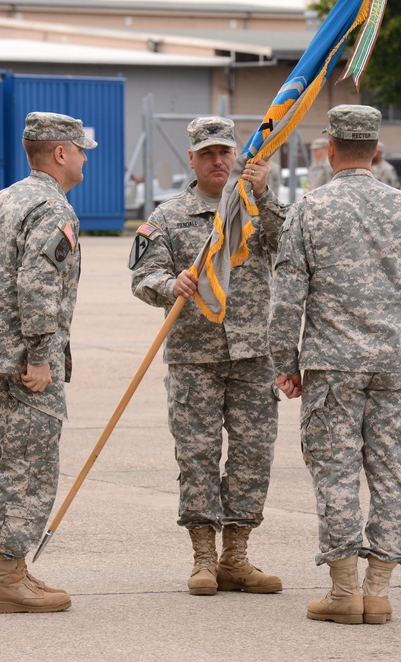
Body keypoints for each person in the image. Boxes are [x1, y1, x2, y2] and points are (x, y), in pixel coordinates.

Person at [269, 104, 401, 624]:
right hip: (396, 364)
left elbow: (286, 300)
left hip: (332, 367)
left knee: (337, 475)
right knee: (392, 473)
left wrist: (287, 362)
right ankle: (379, 591)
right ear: (374, 150)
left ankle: (344, 591)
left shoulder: (309, 209)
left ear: (329, 150)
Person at [129, 116, 288, 596]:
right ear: (193, 159)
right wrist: (167, 283)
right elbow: (142, 277)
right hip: (193, 355)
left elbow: (293, 246)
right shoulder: (168, 216)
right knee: (197, 455)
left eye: (226, 153)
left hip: (253, 353)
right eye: (208, 154)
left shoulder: (256, 208)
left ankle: (235, 557)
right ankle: (202, 557)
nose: (219, 161)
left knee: (251, 455)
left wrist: (263, 197)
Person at [0, 111, 96, 613]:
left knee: (11, 465)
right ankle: (7, 581)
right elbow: (39, 284)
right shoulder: (51, 208)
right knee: (30, 468)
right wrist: (41, 355)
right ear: (60, 153)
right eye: (81, 149)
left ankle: (14, 570)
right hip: (24, 362)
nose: (85, 157)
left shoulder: (3, 199)